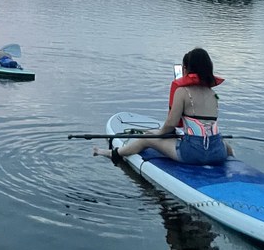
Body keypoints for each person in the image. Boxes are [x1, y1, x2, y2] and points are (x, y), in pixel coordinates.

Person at [95, 47, 230, 165]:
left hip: (193, 154)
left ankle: (113, 153)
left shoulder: (183, 92)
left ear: (186, 69)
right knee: (225, 144)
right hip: (218, 152)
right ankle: (232, 160)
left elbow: (171, 124)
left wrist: (158, 133)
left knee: (147, 139)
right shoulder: (213, 94)